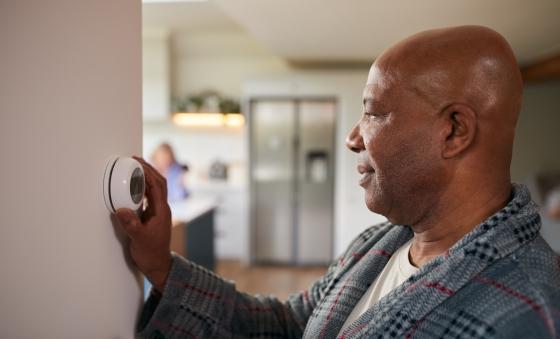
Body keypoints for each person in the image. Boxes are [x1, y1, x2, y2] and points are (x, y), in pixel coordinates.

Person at [116, 26, 560, 338]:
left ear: (454, 131)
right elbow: (290, 327)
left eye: (374, 112)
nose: (352, 138)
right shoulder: (378, 243)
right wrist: (162, 266)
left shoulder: (523, 316)